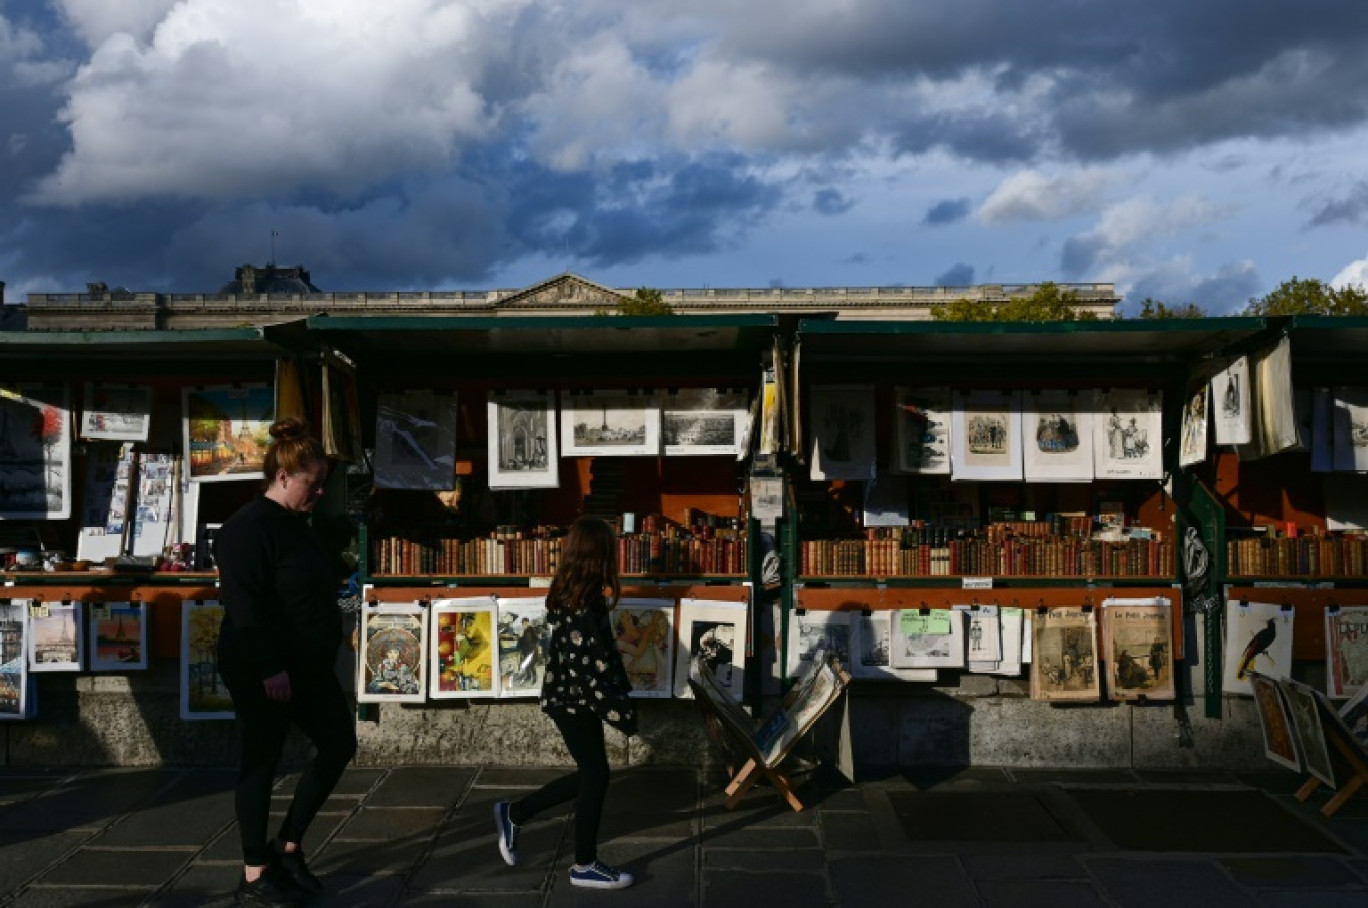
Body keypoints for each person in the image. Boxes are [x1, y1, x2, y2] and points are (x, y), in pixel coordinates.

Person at [215, 417, 357, 907]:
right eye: (310, 484)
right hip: (264, 667)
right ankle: (254, 873)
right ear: (282, 477)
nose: (316, 493)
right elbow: (244, 604)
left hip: (308, 665)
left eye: (321, 486)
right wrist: (269, 666)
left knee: (339, 742)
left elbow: (318, 584)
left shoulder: (297, 526)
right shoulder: (247, 529)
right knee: (261, 759)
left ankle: (288, 846)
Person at [493, 516, 638, 890]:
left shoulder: (576, 595)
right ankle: (584, 864)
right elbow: (591, 668)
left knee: (592, 773)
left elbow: (595, 662)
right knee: (596, 774)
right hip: (572, 702)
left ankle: (515, 813)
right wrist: (621, 712)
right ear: (598, 554)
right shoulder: (582, 604)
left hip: (569, 700)